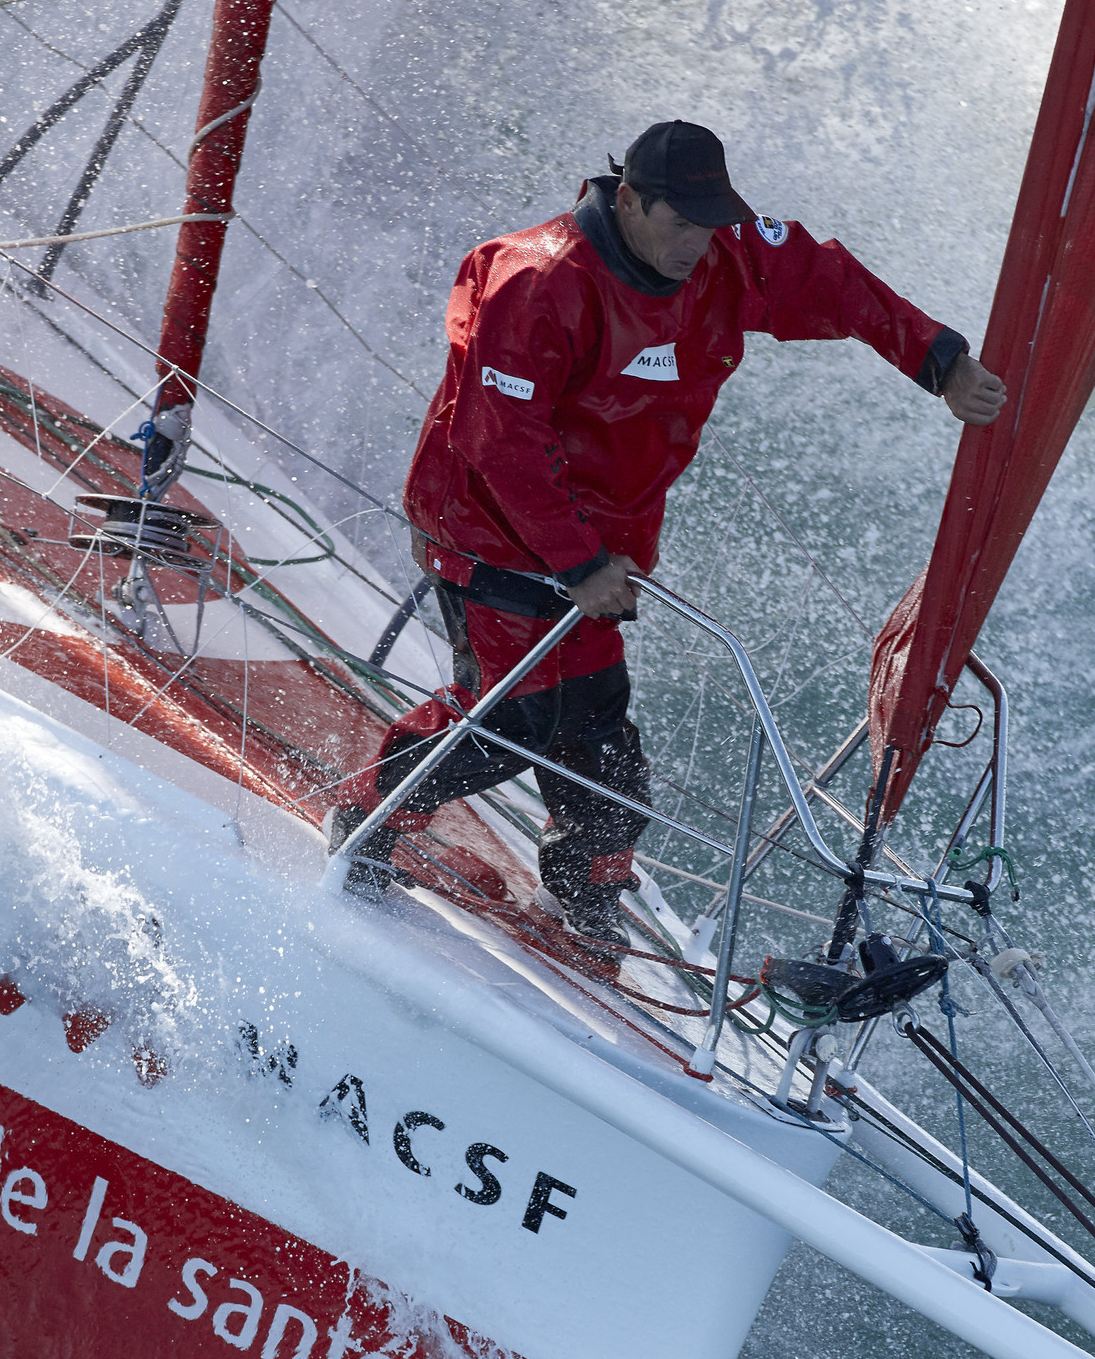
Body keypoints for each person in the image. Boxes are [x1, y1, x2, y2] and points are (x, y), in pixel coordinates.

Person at [332, 118, 1005, 947]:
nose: (698, 243)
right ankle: (366, 816)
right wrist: (576, 562)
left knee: (602, 738)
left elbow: (828, 281)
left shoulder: (722, 257)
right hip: (491, 529)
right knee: (511, 721)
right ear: (629, 201)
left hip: (602, 546)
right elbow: (500, 441)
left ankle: (582, 895)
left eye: (711, 223)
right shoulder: (538, 282)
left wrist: (940, 361)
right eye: (680, 223)